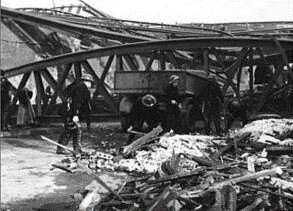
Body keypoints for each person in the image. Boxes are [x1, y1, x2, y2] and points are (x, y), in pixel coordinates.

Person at [56, 74, 93, 156]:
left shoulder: (80, 87)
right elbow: (76, 101)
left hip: (69, 111)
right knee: (70, 129)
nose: (91, 84)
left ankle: (76, 149)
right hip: (70, 112)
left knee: (75, 129)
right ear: (87, 82)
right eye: (90, 82)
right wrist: (75, 115)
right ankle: (62, 148)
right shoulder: (81, 87)